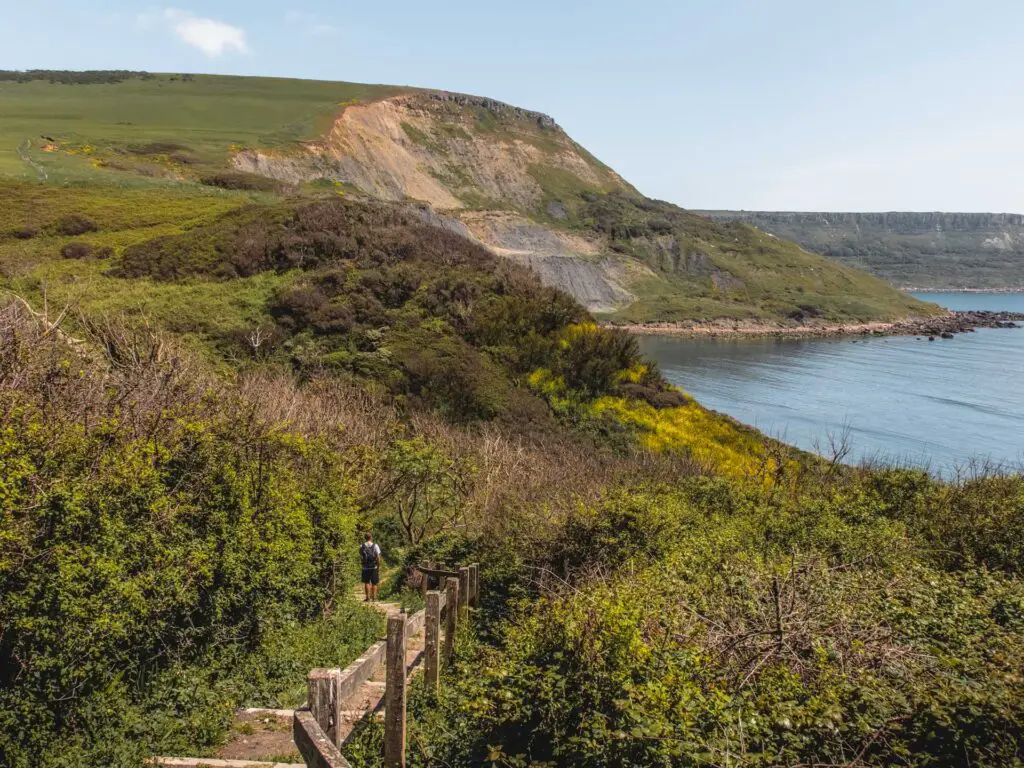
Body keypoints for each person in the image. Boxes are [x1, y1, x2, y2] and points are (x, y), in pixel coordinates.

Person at [360, 533, 382, 602]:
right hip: (373, 567)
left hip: (365, 567)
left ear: (365, 538)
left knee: (366, 582)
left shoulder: (361, 546)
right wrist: (378, 565)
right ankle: (374, 598)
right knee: (374, 583)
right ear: (371, 537)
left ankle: (368, 598)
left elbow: (361, 555)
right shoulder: (375, 545)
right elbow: (378, 557)